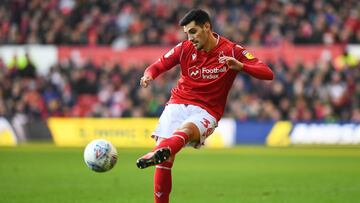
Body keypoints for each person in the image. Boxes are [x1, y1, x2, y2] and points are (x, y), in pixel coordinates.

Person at [136, 9, 274, 203]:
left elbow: (267, 73)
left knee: (185, 132)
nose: (190, 37)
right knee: (165, 162)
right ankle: (160, 153)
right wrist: (148, 75)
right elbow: (158, 65)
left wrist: (242, 66)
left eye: (193, 31)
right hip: (176, 104)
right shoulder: (184, 48)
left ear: (207, 27)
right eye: (187, 33)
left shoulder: (231, 50)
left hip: (207, 111)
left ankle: (158, 151)